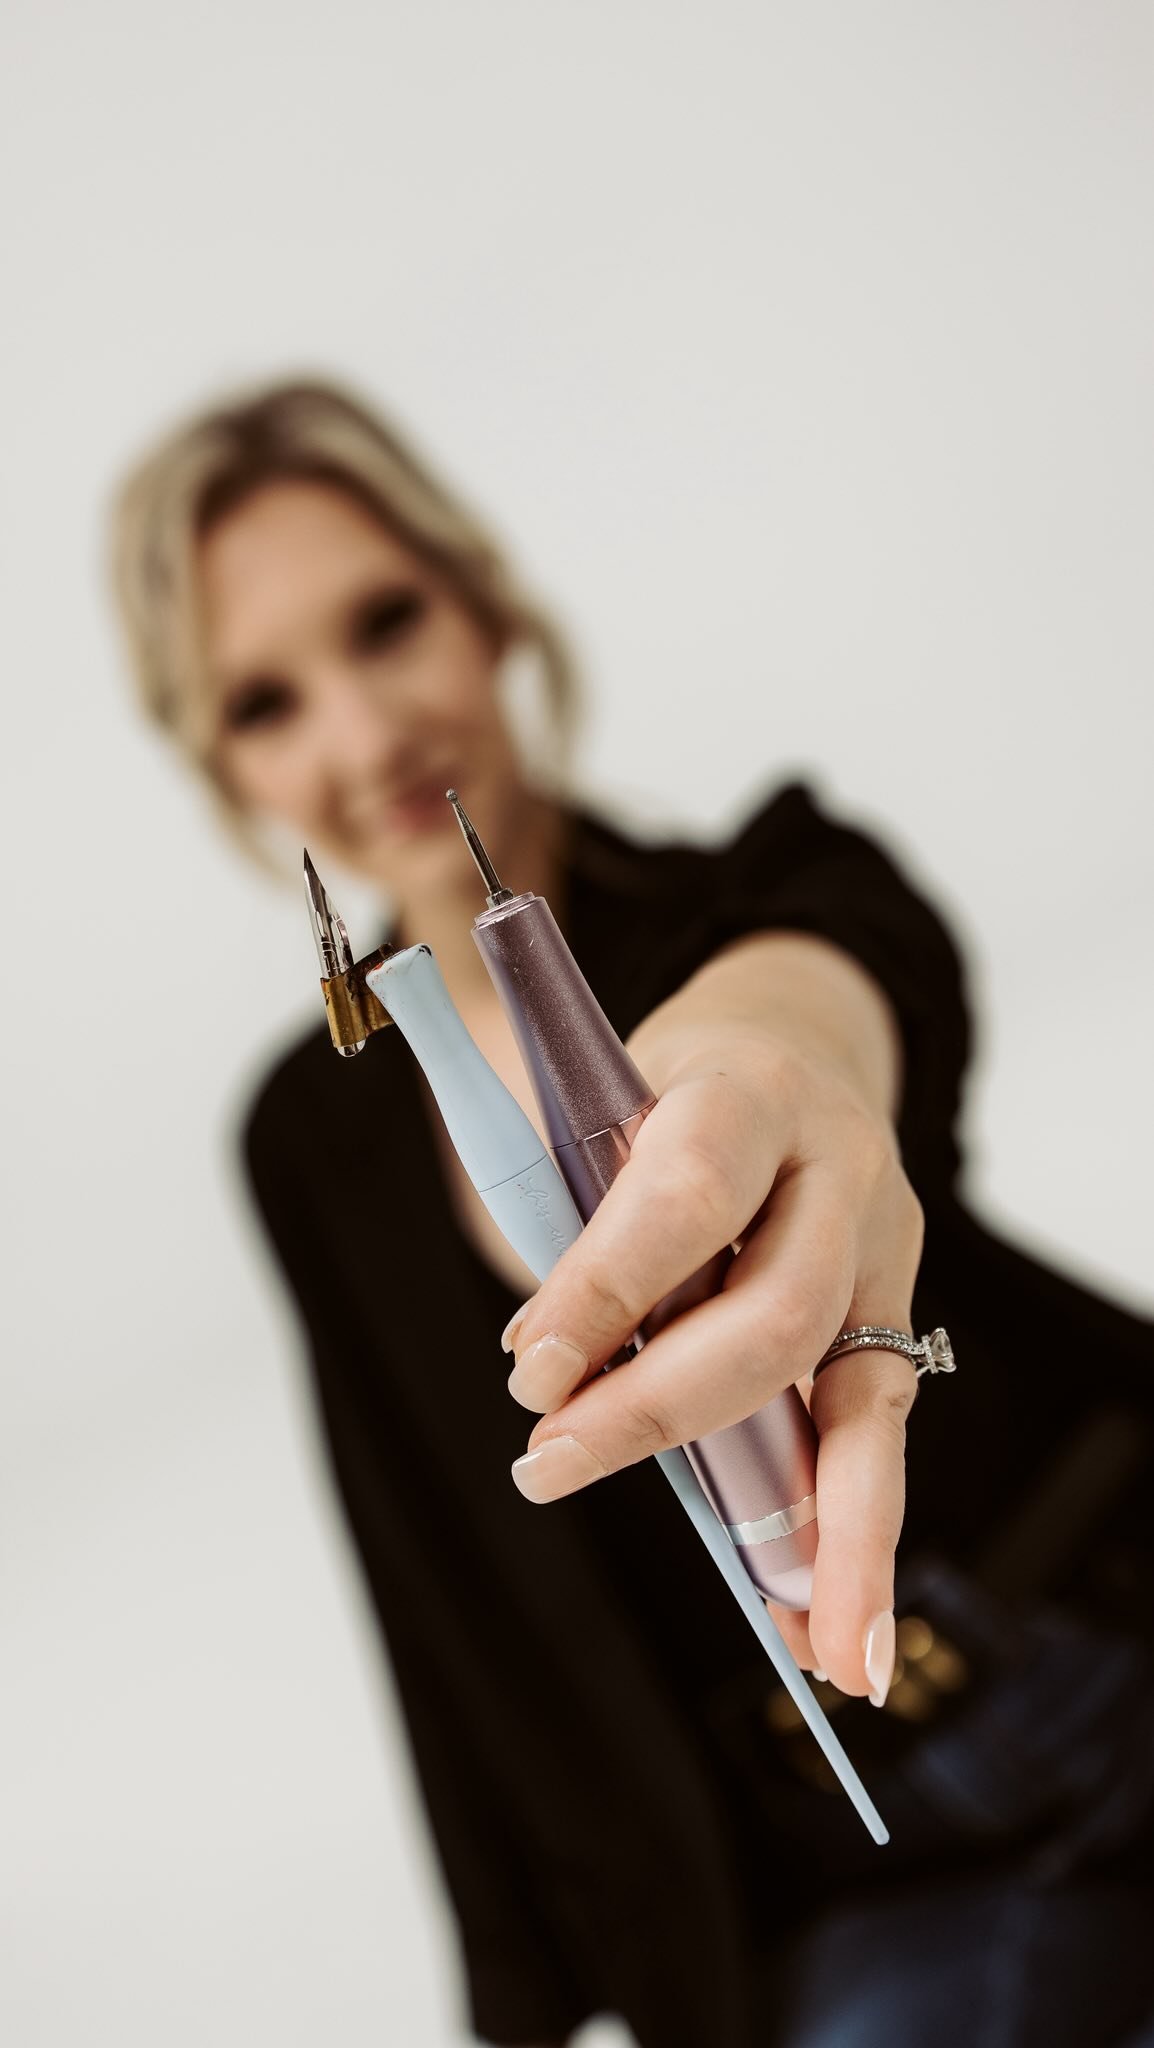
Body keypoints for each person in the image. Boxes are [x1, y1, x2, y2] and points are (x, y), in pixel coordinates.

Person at [110, 379, 1154, 2048]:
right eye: (264, 702)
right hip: (849, 1853)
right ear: (219, 768)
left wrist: (774, 1060)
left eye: (387, 622)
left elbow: (824, 988)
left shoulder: (772, 888)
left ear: (486, 602)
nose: (366, 737)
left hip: (1100, 1629)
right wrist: (523, 1995)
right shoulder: (312, 1143)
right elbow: (438, 1581)